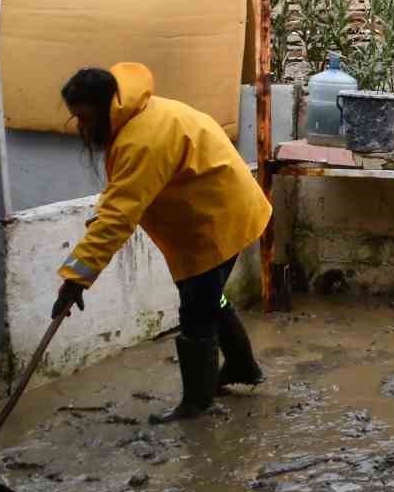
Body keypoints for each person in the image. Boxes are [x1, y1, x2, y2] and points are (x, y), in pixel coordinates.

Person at [53, 63, 272, 423]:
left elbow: (119, 215)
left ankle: (198, 403)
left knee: (196, 311)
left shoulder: (141, 138)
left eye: (85, 118)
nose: (81, 128)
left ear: (106, 106)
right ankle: (242, 366)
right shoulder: (137, 114)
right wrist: (103, 225)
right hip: (217, 209)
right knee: (208, 297)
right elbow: (122, 197)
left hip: (214, 220)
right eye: (75, 118)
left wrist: (75, 278)